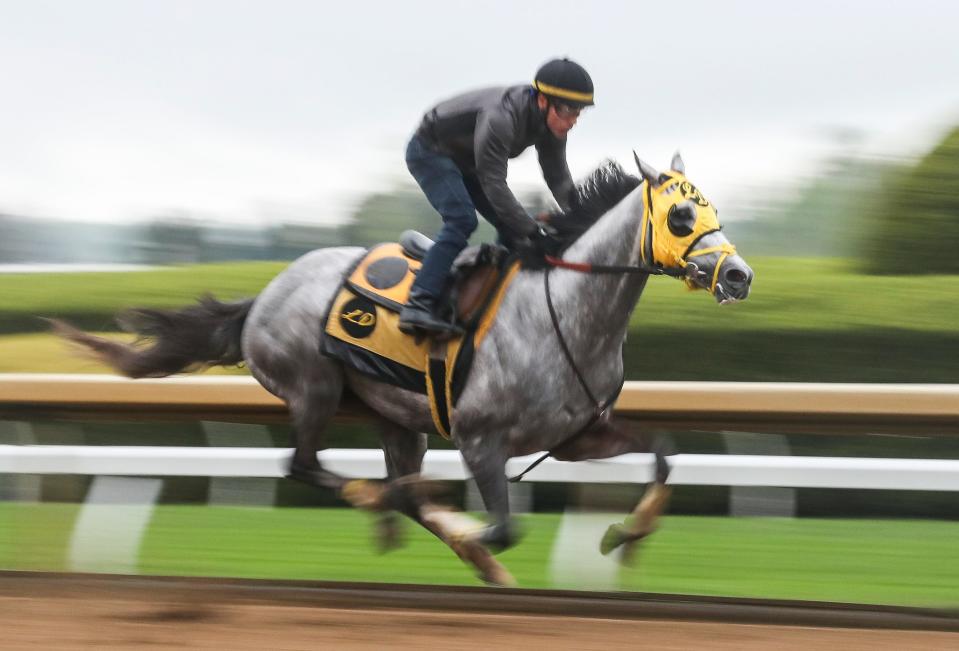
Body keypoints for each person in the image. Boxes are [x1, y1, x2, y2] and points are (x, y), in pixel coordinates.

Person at [398, 57, 594, 337]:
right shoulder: (500, 118)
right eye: (567, 111)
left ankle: (497, 301)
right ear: (542, 101)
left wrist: (583, 218)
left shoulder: (552, 125)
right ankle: (419, 303)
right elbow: (494, 185)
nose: (572, 121)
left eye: (578, 113)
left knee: (512, 229)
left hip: (468, 161)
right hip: (430, 152)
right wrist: (533, 231)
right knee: (462, 220)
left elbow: (558, 179)